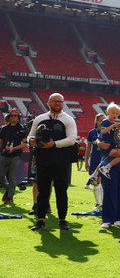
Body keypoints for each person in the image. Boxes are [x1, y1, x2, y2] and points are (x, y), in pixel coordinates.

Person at [28, 93, 78, 231]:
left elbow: (72, 139)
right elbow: (30, 135)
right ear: (48, 102)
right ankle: (40, 220)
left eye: (60, 102)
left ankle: (62, 220)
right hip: (43, 160)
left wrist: (54, 144)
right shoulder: (40, 118)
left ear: (63, 103)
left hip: (61, 160)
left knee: (61, 191)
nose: (57, 104)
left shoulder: (68, 119)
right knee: (43, 191)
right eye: (55, 101)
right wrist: (31, 141)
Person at [0, 109, 27, 204]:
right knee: (1, 176)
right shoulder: (4, 128)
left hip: (15, 155)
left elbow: (24, 144)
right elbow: (1, 141)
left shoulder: (21, 129)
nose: (13, 117)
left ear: (18, 117)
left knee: (12, 177)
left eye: (15, 115)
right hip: (3, 154)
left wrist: (14, 148)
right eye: (11, 115)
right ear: (9, 117)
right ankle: (10, 191)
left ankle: (10, 197)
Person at [97, 102, 120, 179]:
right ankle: (106, 167)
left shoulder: (114, 123)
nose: (115, 115)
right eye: (113, 113)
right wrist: (113, 126)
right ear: (107, 113)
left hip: (111, 146)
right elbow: (103, 131)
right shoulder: (105, 122)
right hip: (106, 147)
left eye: (117, 114)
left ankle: (103, 169)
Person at [85, 113, 105, 207]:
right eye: (100, 120)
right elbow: (88, 148)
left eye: (104, 120)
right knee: (96, 182)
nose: (102, 122)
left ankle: (104, 203)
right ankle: (98, 203)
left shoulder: (108, 132)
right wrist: (86, 162)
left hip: (105, 160)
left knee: (104, 182)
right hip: (94, 160)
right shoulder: (92, 133)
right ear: (96, 121)